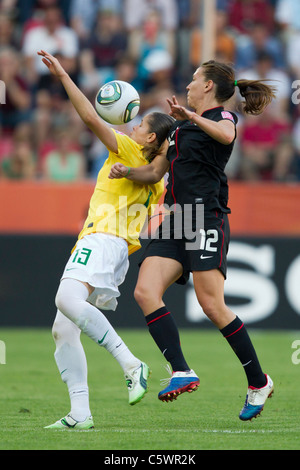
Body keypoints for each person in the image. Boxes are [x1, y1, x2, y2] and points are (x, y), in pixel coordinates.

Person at [109, 60, 276, 421]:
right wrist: (128, 171)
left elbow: (226, 137)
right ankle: (181, 370)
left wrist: (190, 116)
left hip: (206, 218)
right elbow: (156, 171)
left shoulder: (224, 118)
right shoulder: (182, 126)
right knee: (144, 292)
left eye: (195, 79)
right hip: (176, 219)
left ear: (209, 88)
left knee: (212, 306)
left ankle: (258, 381)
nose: (188, 85)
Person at [37, 50, 174, 429]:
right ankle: (80, 413)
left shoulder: (131, 150)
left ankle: (131, 364)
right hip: (117, 249)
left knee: (65, 299)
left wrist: (64, 75)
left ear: (150, 138)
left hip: (102, 238)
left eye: (142, 122)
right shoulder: (156, 176)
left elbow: (88, 117)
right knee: (63, 327)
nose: (134, 124)